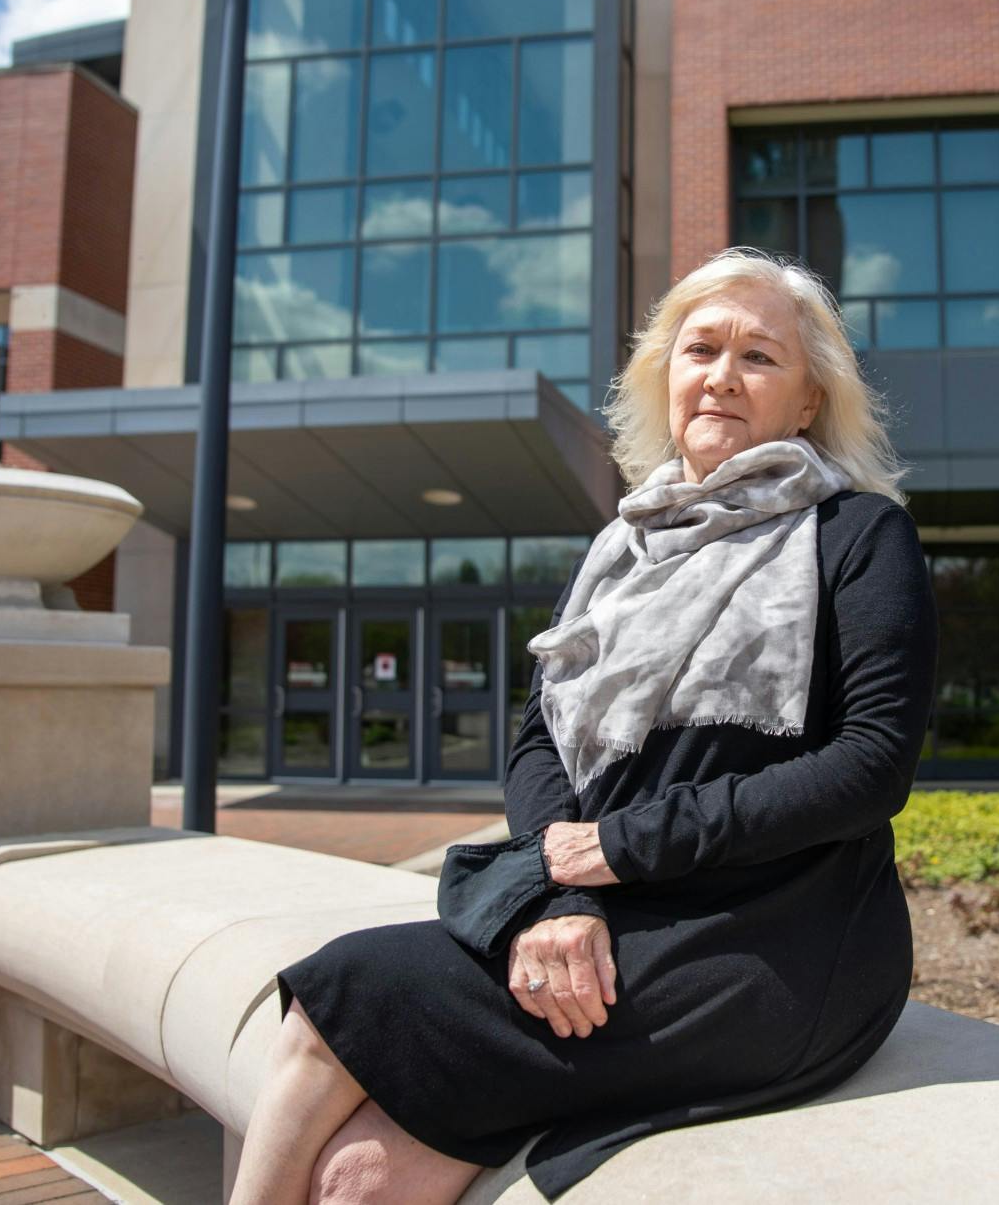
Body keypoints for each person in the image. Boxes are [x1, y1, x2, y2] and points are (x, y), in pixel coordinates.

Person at [232, 246, 939, 1205]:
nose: (722, 376)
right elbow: (539, 743)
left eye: (760, 357)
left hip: (774, 938)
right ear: (667, 375)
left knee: (341, 997)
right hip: (616, 909)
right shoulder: (620, 549)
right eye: (700, 350)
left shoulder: (857, 535)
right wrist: (555, 901)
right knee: (359, 1179)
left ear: (809, 401)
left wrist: (616, 847)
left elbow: (869, 767)